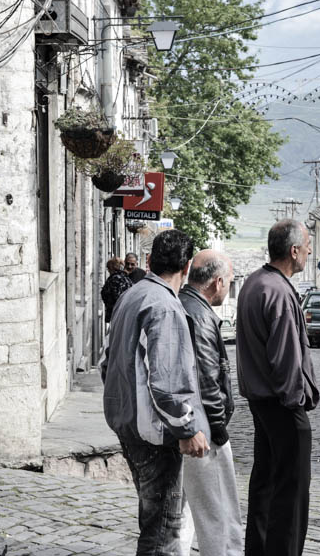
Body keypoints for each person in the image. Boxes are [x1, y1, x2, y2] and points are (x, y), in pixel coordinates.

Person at [101, 230, 210, 555]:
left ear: (149, 261)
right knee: (162, 529)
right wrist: (187, 429)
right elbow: (166, 382)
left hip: (127, 423)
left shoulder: (132, 296)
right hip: (153, 434)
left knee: (153, 520)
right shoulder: (164, 307)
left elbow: (106, 363)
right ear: (187, 267)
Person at [236, 219, 320, 556]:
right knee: (292, 492)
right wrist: (295, 400)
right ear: (294, 251)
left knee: (266, 485)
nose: (310, 251)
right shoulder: (279, 291)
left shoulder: (254, 282)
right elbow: (286, 358)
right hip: (281, 405)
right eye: (308, 246)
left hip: (261, 402)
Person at [178, 249, 242, 555]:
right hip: (204, 428)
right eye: (229, 281)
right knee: (221, 516)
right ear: (217, 282)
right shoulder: (200, 314)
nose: (228, 287)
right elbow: (207, 376)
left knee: (193, 516)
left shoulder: (185, 303)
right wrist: (218, 428)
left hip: (191, 423)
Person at [101, 257, 132, 323]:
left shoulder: (115, 279)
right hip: (125, 315)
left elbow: (118, 298)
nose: (108, 270)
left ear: (112, 268)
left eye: (108, 268)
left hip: (118, 315)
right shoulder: (126, 278)